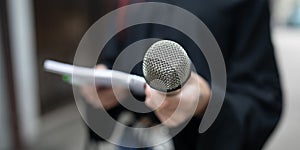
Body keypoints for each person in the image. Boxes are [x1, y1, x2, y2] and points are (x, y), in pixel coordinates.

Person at [81, 0, 282, 149]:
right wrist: (103, 89)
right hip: (135, 138)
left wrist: (206, 103)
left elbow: (263, 96)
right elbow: (114, 58)